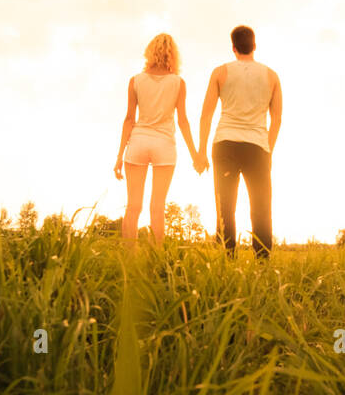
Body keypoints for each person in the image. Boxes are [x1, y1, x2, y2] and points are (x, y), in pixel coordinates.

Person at [197, 25, 282, 257]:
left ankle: (227, 264)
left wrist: (201, 152)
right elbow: (277, 118)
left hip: (225, 145)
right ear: (254, 46)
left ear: (233, 48)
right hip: (257, 148)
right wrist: (268, 149)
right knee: (261, 209)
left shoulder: (220, 72)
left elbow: (206, 115)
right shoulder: (271, 76)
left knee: (225, 209)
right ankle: (262, 266)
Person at [113, 33, 203, 244]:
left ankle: (130, 262)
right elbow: (183, 121)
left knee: (133, 207)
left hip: (138, 142)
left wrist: (119, 156)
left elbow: (128, 119)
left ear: (150, 52)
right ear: (173, 55)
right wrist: (195, 155)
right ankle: (155, 261)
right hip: (164, 145)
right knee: (157, 207)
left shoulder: (135, 81)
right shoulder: (178, 83)